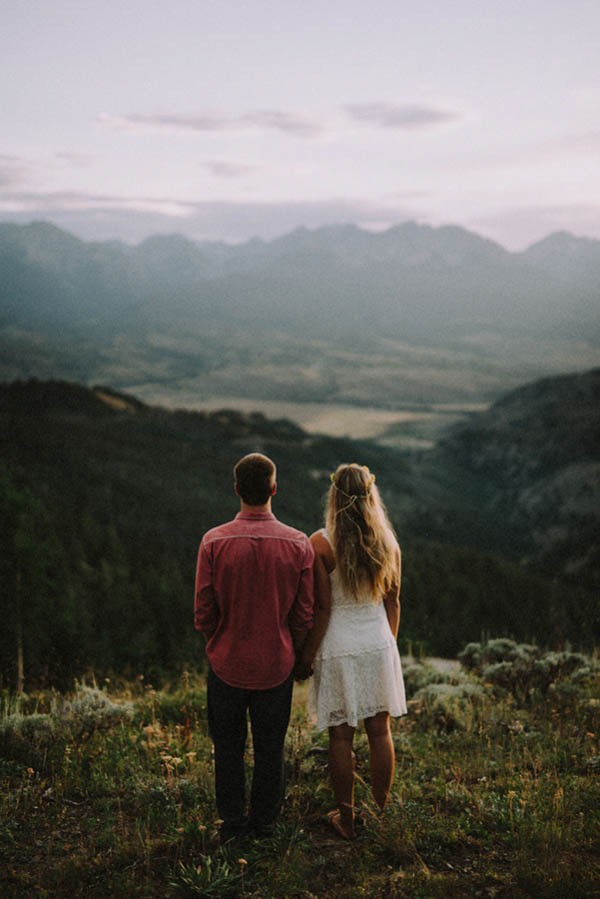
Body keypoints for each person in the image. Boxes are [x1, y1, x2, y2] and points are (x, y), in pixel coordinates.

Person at [194, 453, 315, 843]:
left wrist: (220, 640)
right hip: (276, 665)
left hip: (226, 662)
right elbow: (304, 614)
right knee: (270, 747)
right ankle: (264, 824)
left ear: (236, 489)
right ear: (274, 489)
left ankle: (232, 825)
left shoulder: (213, 541)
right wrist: (293, 651)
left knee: (227, 748)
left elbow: (203, 612)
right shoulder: (298, 544)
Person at [296, 462, 406, 840]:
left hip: (338, 645)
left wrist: (307, 656)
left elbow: (321, 609)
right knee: (380, 731)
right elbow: (393, 604)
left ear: (334, 496)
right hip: (377, 641)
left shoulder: (320, 544)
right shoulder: (388, 543)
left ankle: (347, 818)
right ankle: (380, 812)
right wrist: (386, 646)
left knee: (340, 737)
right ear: (370, 494)